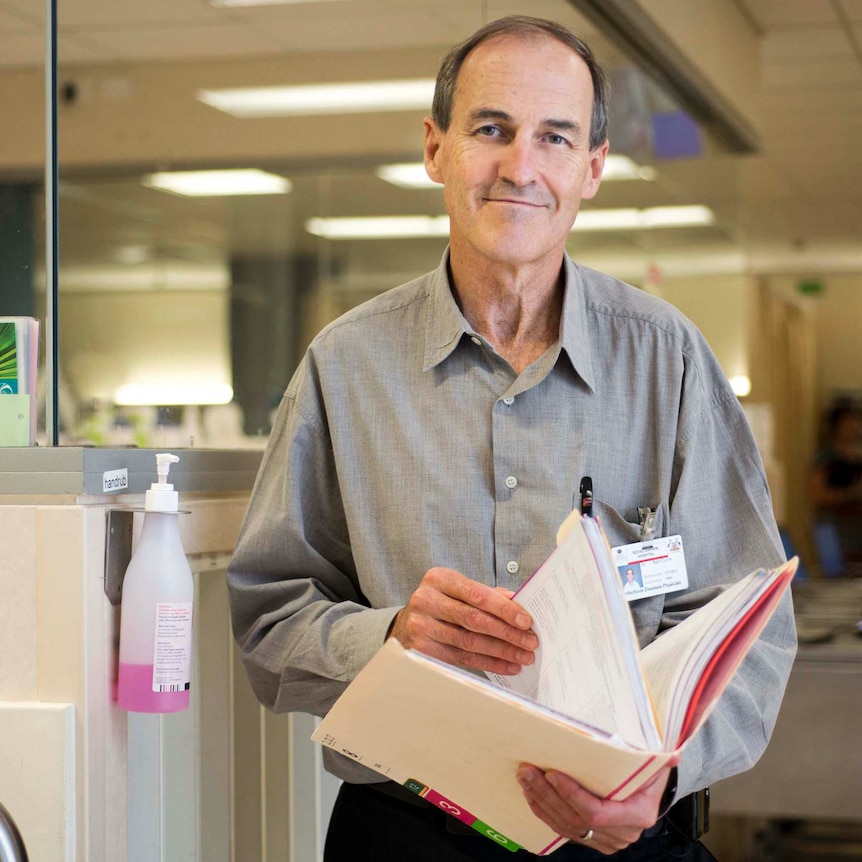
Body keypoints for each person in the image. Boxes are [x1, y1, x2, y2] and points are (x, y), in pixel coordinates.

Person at [227, 15, 796, 861]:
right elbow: (271, 615)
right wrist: (389, 638)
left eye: (555, 138)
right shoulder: (343, 367)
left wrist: (663, 780)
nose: (520, 167)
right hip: (410, 835)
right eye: (490, 129)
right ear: (436, 149)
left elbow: (747, 623)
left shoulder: (668, 359)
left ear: (592, 168)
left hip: (628, 833)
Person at [808, 402, 862, 575]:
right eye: (848, 423)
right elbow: (817, 496)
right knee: (838, 576)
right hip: (835, 530)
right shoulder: (826, 457)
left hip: (858, 529)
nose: (853, 428)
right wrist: (850, 494)